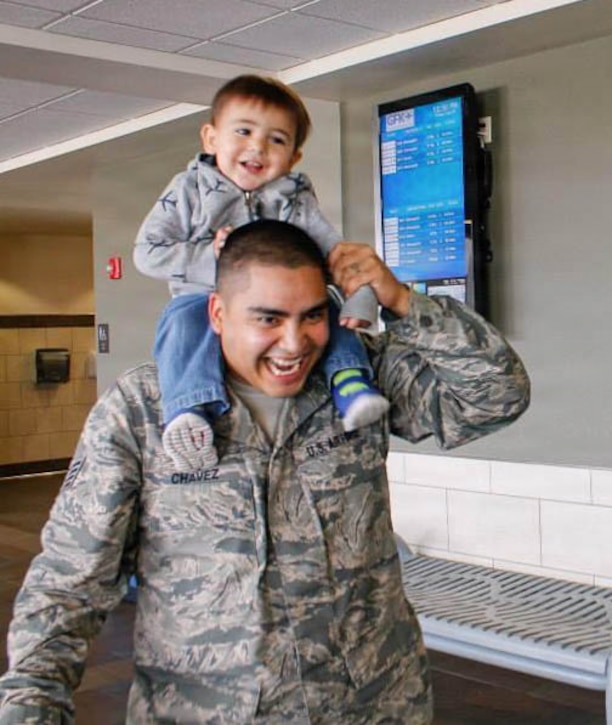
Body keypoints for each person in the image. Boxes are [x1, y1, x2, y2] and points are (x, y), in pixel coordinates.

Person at [0, 220, 531, 722]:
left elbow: (496, 396)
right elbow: (69, 583)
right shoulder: (144, 410)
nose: (295, 343)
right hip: (206, 710)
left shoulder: (357, 380)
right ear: (217, 313)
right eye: (268, 319)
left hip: (372, 704)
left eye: (312, 316)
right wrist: (32, 703)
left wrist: (404, 302)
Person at [133, 74, 387, 471]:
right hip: (201, 294)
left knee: (326, 309)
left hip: (289, 299)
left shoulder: (295, 199)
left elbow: (332, 252)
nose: (258, 147)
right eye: (244, 131)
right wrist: (210, 257)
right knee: (181, 323)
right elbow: (147, 253)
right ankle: (191, 412)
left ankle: (350, 382)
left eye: (277, 139)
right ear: (211, 138)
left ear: (294, 158)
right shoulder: (188, 190)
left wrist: (362, 294)